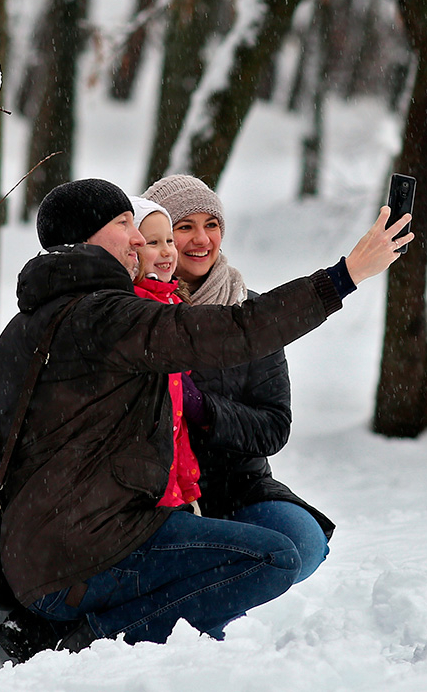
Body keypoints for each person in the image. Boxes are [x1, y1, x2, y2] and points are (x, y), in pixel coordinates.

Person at [0, 178, 412, 662]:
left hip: (41, 554)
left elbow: (268, 417)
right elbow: (239, 329)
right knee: (274, 558)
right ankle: (90, 637)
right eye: (125, 225)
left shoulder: (30, 324)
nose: (138, 239)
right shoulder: (107, 317)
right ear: (85, 239)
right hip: (85, 557)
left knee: (289, 543)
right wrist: (345, 275)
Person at [141, 174, 331, 584]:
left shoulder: (252, 314)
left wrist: (204, 411)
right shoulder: (139, 313)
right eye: (184, 227)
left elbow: (274, 426)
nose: (201, 240)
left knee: (303, 543)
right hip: (158, 494)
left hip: (238, 487)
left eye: (211, 225)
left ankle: (211, 586)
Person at [129, 196, 201, 513]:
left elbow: (178, 422)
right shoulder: (132, 307)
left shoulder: (173, 305)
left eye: (169, 240)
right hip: (143, 486)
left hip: (171, 482)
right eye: (153, 242)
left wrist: (188, 487)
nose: (167, 251)